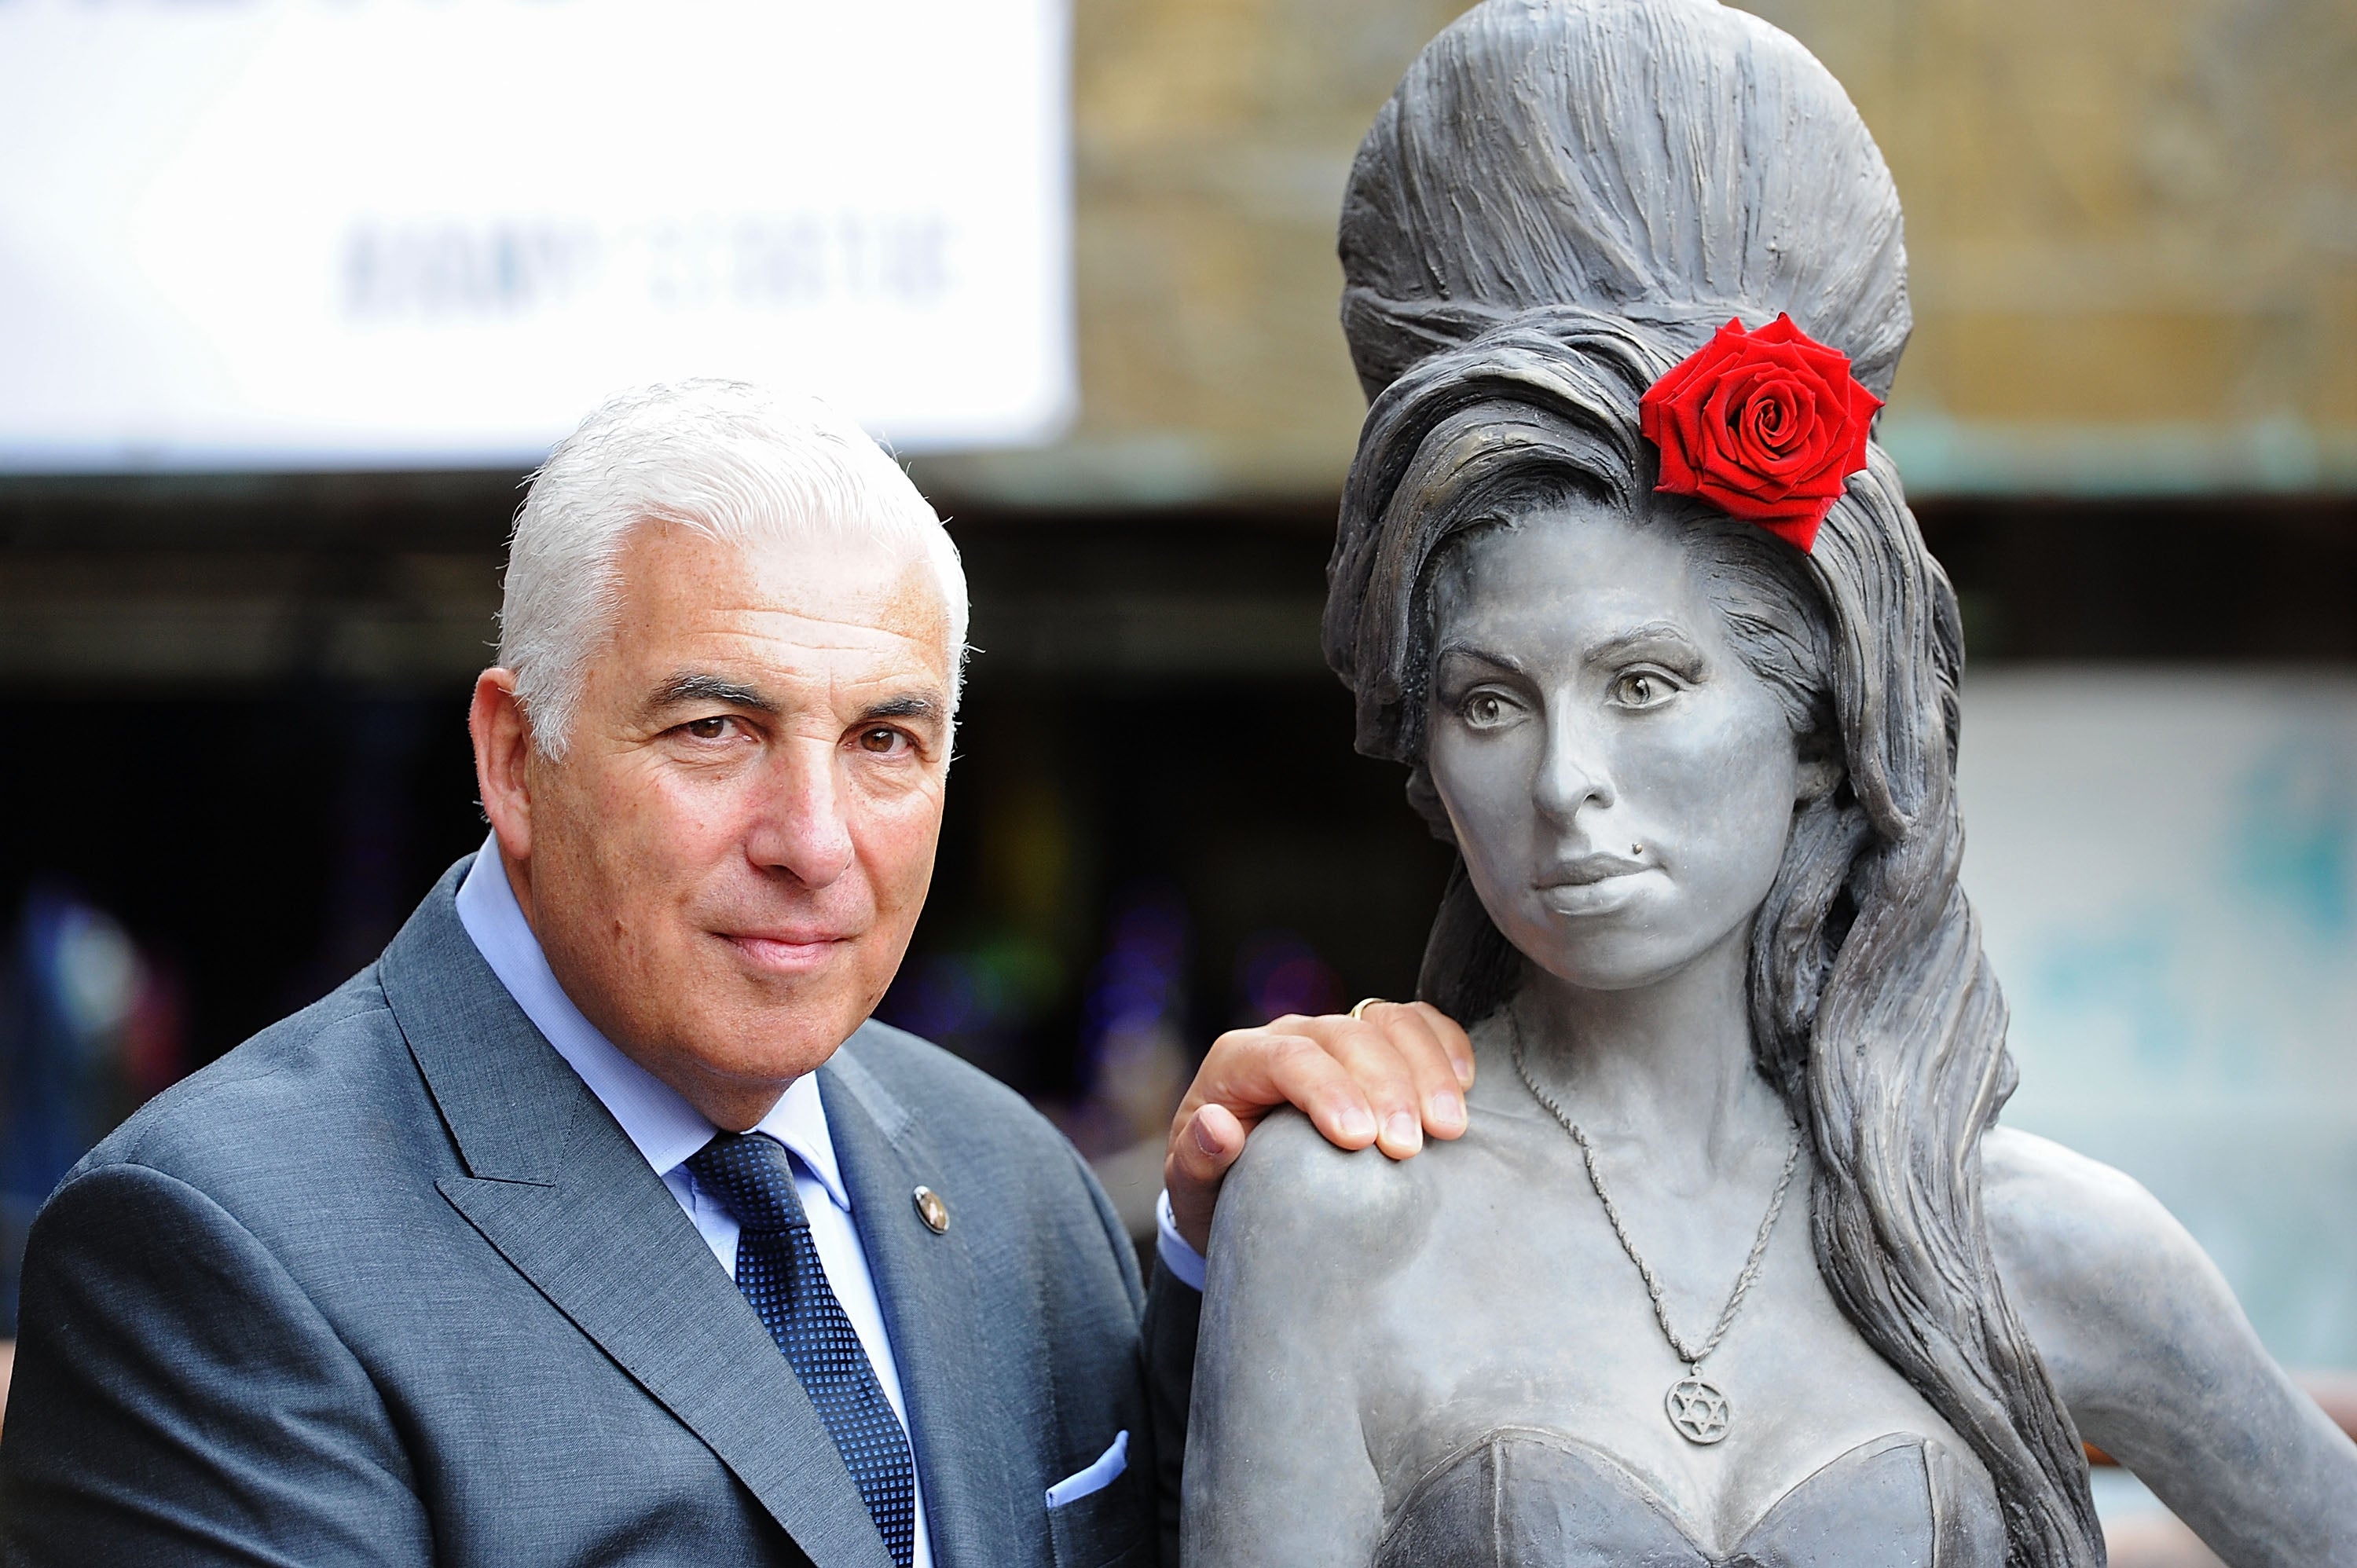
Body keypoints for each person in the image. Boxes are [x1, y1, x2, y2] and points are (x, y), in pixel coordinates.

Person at [1184, 2, 2357, 1565]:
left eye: (1648, 684)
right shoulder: (1337, 1215)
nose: (1566, 784)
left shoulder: (2046, 1240)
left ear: (1820, 720)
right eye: (1487, 702)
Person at [0, 381, 1475, 1568]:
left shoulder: (1011, 1182)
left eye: (886, 741)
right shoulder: (218, 1250)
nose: (814, 843)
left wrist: (1245, 1258)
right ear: (516, 760)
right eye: (714, 729)